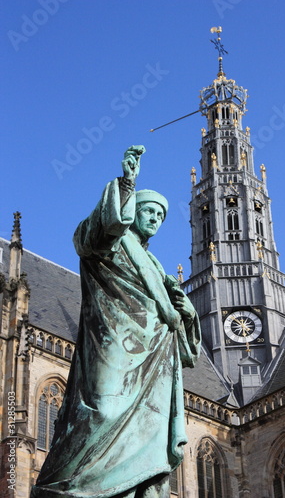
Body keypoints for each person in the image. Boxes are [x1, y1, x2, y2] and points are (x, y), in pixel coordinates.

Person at [31, 145, 201, 498]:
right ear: (131, 211)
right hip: (113, 344)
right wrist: (127, 185)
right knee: (104, 412)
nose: (155, 218)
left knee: (150, 442)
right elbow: (90, 238)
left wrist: (185, 310)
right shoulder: (112, 241)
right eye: (149, 210)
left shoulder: (157, 268)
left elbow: (185, 345)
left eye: (161, 215)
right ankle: (70, 488)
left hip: (154, 362)